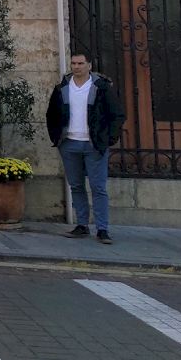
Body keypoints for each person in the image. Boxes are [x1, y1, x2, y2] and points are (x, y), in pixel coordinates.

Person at [46, 52, 125, 244]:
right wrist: (56, 136)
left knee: (98, 187)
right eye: (73, 63)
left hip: (93, 144)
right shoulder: (62, 88)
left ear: (89, 65)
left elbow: (117, 114)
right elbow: (52, 114)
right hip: (69, 143)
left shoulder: (101, 87)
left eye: (81, 63)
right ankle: (82, 225)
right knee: (76, 186)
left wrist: (108, 139)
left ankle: (102, 229)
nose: (76, 66)